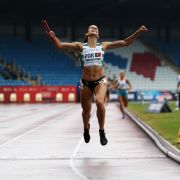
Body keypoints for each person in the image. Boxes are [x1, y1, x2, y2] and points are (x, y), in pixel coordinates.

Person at [46, 24, 148, 145]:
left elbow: (125, 42)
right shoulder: (80, 46)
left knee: (100, 102)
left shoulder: (103, 46)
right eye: (91, 28)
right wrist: (53, 37)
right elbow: (60, 45)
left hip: (100, 81)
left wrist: (138, 32)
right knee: (86, 111)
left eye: (96, 28)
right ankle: (86, 129)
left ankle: (101, 131)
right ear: (87, 33)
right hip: (86, 83)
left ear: (98, 34)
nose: (94, 28)